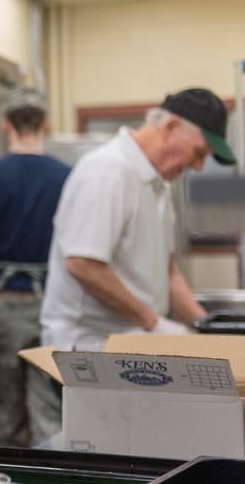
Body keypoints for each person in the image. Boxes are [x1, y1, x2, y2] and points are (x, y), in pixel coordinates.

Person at [40, 88, 236, 352]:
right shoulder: (108, 171)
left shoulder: (159, 185)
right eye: (199, 152)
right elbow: (83, 265)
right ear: (171, 127)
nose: (199, 167)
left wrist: (205, 330)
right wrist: (155, 324)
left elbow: (168, 272)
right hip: (88, 346)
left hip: (131, 341)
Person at [0, 86, 71, 448]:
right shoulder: (67, 176)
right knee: (51, 412)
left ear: (6, 125)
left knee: (7, 415)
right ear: (46, 124)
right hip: (52, 307)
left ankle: (17, 479)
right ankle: (56, 477)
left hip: (1, 308)